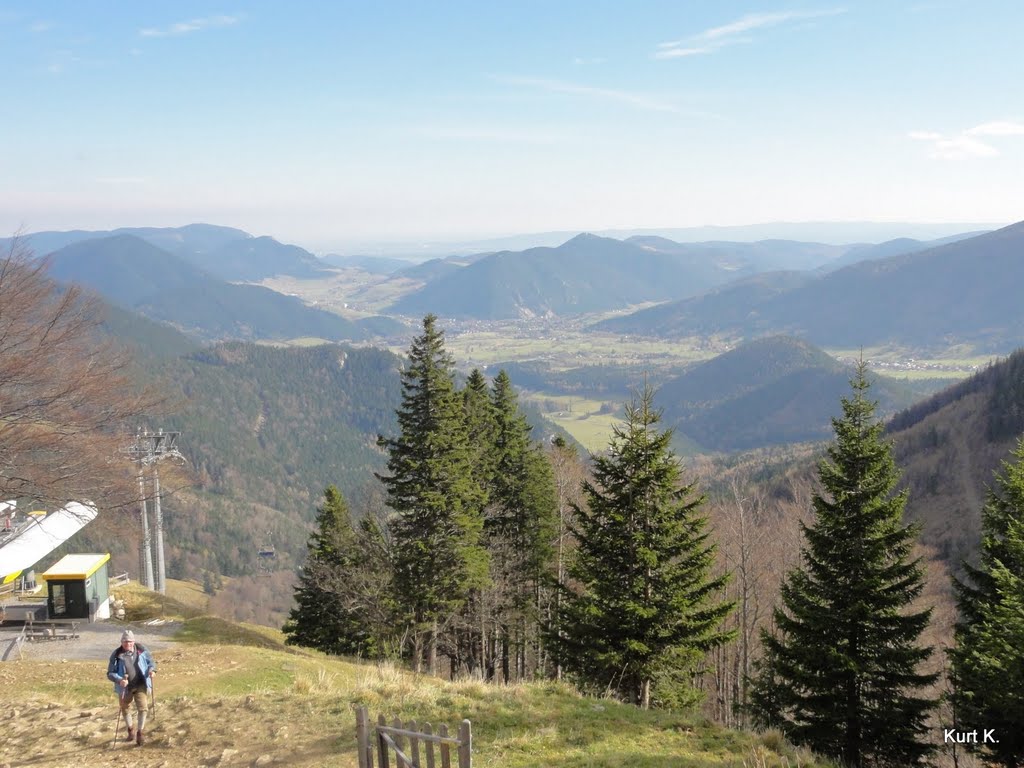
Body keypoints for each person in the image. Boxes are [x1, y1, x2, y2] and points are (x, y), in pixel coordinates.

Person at [106, 629, 156, 746]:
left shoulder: (142, 650)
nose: (127, 644)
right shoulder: (116, 654)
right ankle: (130, 729)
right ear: (121, 642)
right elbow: (110, 673)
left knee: (143, 709)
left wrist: (151, 670)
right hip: (124, 687)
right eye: (125, 642)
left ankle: (140, 732)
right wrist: (120, 680)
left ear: (133, 642)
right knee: (125, 708)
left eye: (129, 642)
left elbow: (151, 662)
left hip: (140, 683)